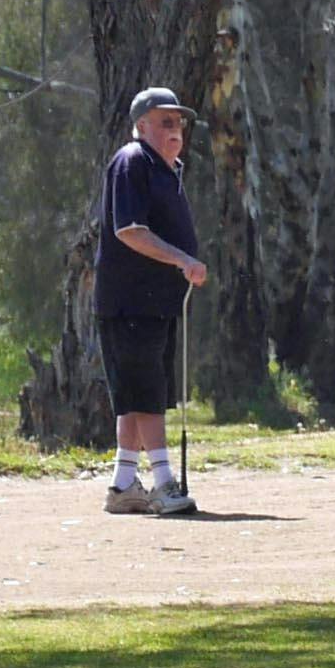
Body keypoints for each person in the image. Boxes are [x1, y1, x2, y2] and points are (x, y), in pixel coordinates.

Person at [91, 85, 207, 514]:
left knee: (137, 394)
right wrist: (182, 259)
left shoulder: (166, 169)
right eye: (165, 121)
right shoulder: (133, 161)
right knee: (146, 396)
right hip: (130, 301)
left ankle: (123, 486)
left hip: (155, 304)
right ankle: (162, 483)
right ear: (142, 126)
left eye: (178, 122)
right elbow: (129, 230)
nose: (175, 129)